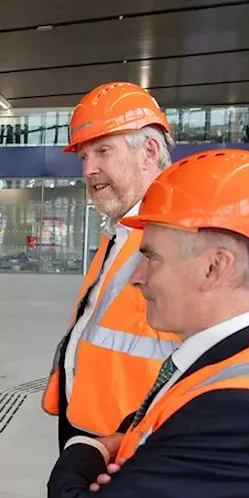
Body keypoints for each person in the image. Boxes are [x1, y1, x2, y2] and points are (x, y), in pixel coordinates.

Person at [46, 149, 249, 498]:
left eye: (152, 258)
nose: (137, 276)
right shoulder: (222, 365)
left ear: (216, 267)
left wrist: (86, 446)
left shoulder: (246, 412)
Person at [42, 81, 182, 449]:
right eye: (84, 157)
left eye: (103, 150)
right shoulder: (118, 234)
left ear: (149, 151)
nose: (89, 170)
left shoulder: (182, 238)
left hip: (132, 444)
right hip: (88, 429)